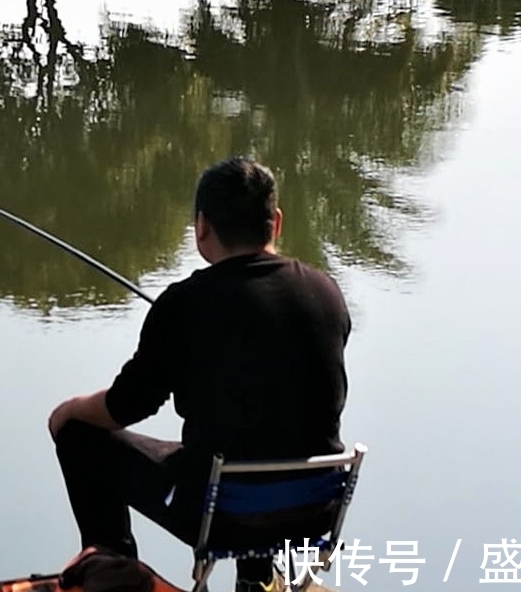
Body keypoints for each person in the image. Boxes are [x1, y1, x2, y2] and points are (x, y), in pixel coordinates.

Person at [48, 157, 352, 592]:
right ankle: (257, 578)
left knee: (79, 433)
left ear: (202, 227)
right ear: (276, 222)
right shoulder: (326, 292)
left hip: (220, 512)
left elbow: (124, 407)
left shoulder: (184, 305)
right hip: (312, 509)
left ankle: (113, 575)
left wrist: (69, 410)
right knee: (262, 437)